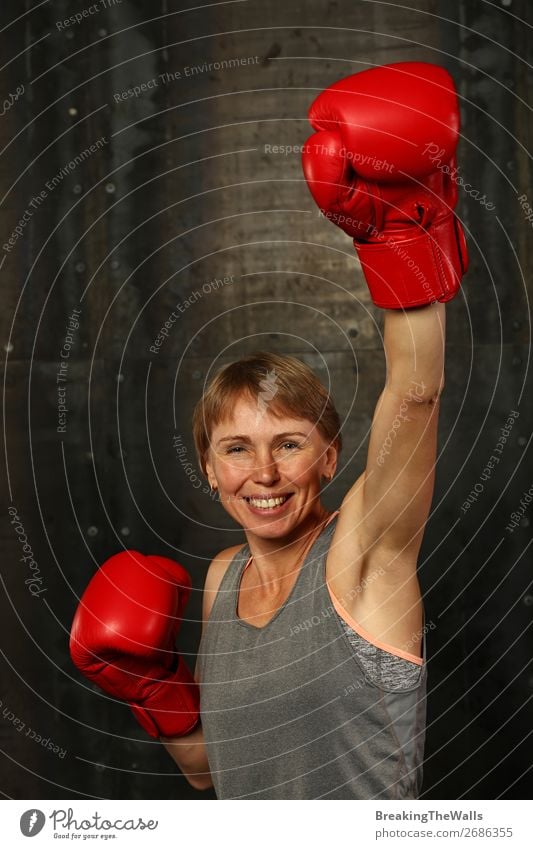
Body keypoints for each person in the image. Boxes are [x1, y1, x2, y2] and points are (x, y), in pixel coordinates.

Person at [69, 61, 468, 799]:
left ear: (329, 456)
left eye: (287, 443)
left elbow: (414, 394)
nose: (264, 473)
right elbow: (215, 775)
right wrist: (156, 692)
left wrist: (402, 235)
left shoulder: (361, 553)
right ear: (207, 467)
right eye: (236, 449)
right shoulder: (223, 580)